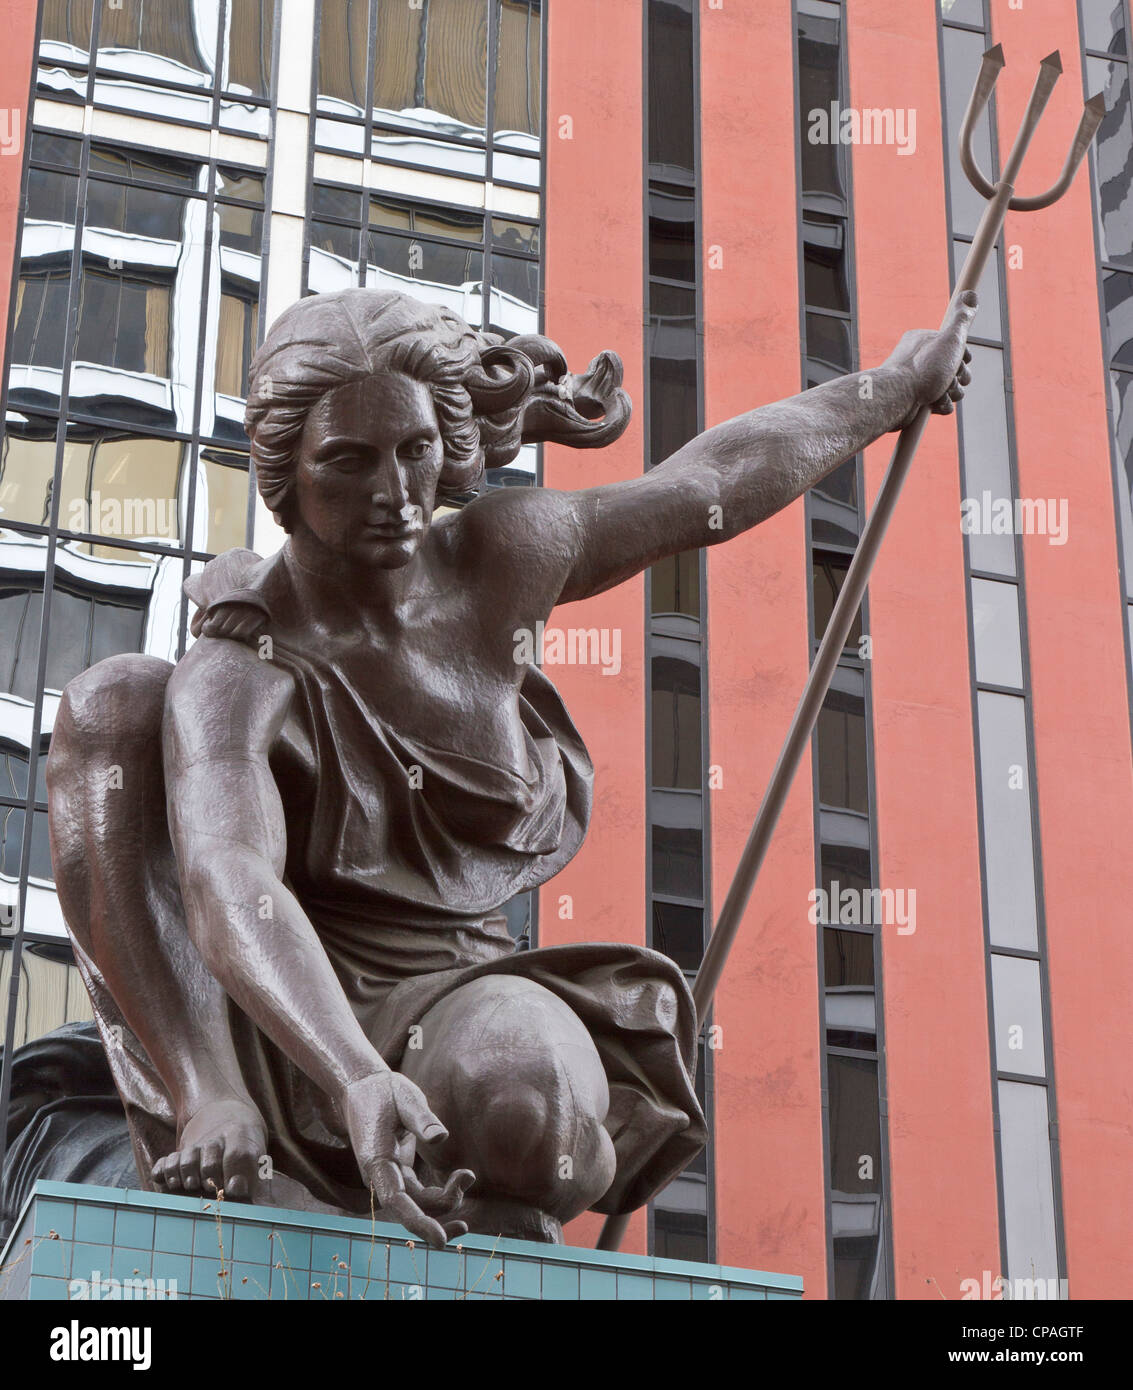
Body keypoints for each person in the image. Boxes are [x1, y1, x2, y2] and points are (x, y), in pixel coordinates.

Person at [46, 287, 975, 1248]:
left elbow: (712, 486)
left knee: (531, 1116)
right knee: (111, 700)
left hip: (454, 993)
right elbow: (227, 879)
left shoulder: (505, 555)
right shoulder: (240, 667)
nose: (393, 491)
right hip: (286, 1016)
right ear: (285, 473)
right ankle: (215, 1111)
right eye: (347, 462)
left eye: (414, 451)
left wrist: (892, 387)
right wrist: (355, 1074)